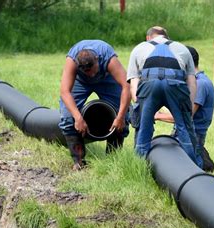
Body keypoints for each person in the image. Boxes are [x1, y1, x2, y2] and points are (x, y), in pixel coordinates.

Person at [127, 26, 198, 164]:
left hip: (149, 86)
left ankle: (139, 167)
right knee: (184, 129)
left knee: (144, 129)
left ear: (148, 38)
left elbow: (134, 82)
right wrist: (187, 108)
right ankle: (193, 167)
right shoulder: (182, 48)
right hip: (175, 85)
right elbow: (192, 82)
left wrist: (139, 105)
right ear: (167, 37)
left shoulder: (139, 48)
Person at [59, 40, 131, 170]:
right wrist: (78, 118)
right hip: (80, 82)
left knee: (123, 118)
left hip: (106, 79)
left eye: (92, 70)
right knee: (68, 119)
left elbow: (127, 85)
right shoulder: (72, 61)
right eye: (86, 71)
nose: (91, 74)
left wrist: (120, 117)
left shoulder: (108, 58)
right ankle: (79, 162)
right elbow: (65, 92)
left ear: (97, 60)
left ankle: (113, 160)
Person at [155, 46, 214, 171]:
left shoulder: (200, 84)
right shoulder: (193, 82)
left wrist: (156, 115)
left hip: (191, 136)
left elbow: (185, 117)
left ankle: (200, 158)